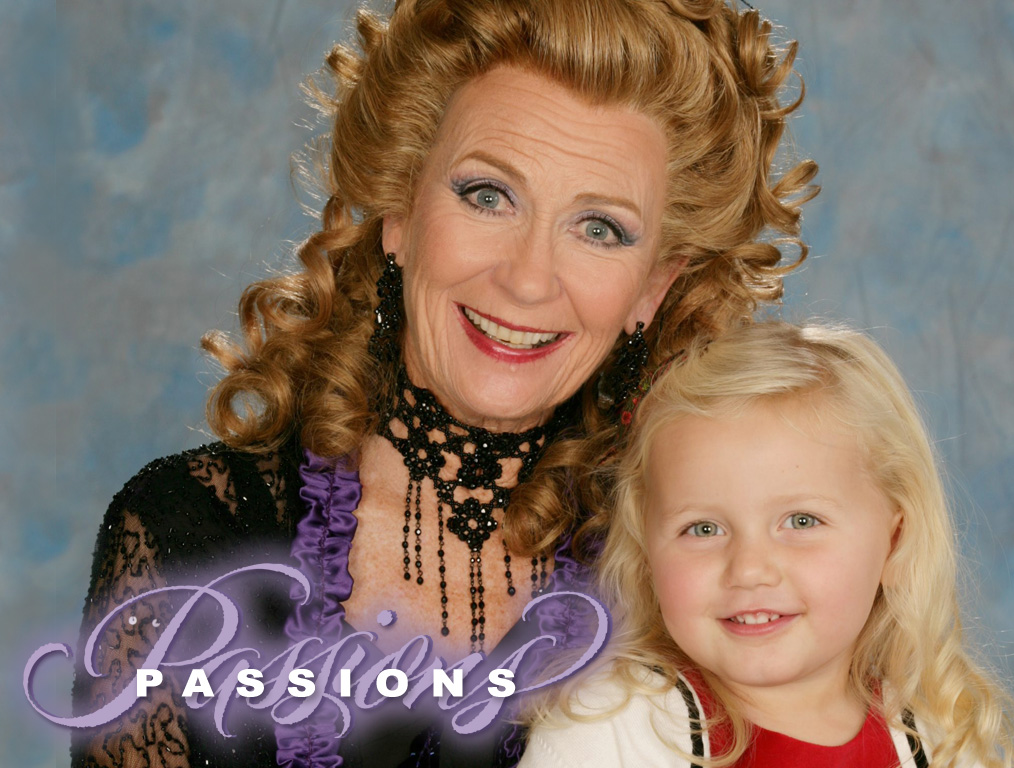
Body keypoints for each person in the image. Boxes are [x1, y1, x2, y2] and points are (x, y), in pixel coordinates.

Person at [69, 1, 817, 766]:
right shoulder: (188, 538)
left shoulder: (701, 577)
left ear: (654, 285)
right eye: (488, 195)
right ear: (399, 208)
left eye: (599, 228)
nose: (528, 279)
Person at [520, 322, 1014, 768]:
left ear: (895, 544)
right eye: (703, 529)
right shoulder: (608, 732)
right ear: (647, 551)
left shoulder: (943, 741)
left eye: (801, 521)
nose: (749, 569)